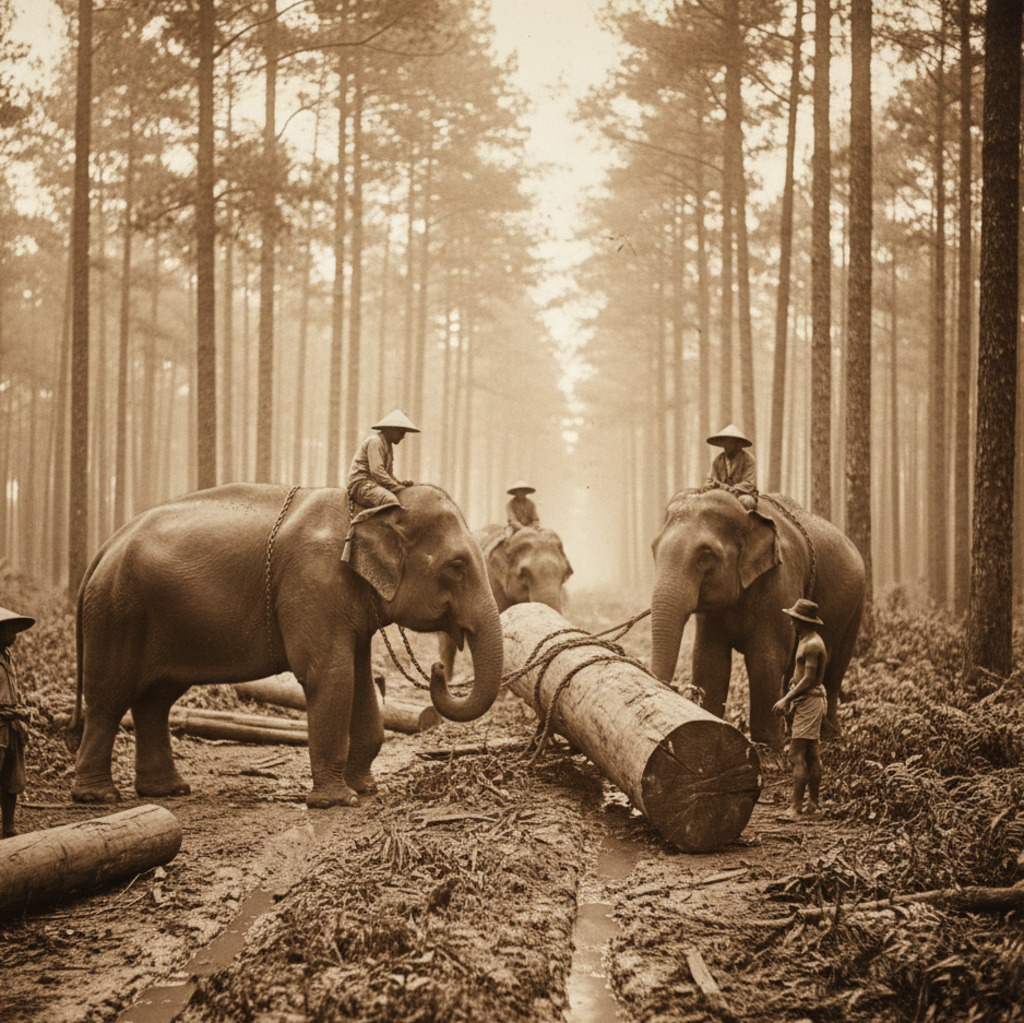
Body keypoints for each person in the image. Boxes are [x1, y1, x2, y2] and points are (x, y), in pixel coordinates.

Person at [772, 598, 828, 821]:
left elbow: (809, 679)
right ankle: (813, 805)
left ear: (802, 621)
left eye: (793, 620)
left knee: (797, 755)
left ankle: (795, 809)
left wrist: (786, 699)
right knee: (812, 753)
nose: (791, 624)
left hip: (809, 703)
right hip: (807, 702)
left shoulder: (812, 644)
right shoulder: (807, 640)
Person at [0, 605, 35, 839]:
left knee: (12, 779)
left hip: (11, 727)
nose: (13, 636)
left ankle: (8, 827)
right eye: (8, 631)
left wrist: (20, 710)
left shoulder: (8, 658)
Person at [346, 409, 420, 513]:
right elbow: (376, 471)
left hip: (374, 484)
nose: (403, 436)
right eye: (401, 432)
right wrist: (395, 486)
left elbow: (388, 474)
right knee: (390, 501)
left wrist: (400, 483)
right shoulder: (375, 442)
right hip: (361, 484)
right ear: (390, 429)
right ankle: (363, 524)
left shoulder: (388, 447)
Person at [705, 424, 758, 509]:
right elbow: (710, 480)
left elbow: (749, 483)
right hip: (720, 495)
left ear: (737, 444)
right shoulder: (718, 460)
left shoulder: (748, 459)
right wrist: (711, 485)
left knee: (746, 502)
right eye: (724, 443)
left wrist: (727, 488)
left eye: (729, 443)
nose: (726, 446)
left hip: (742, 495)